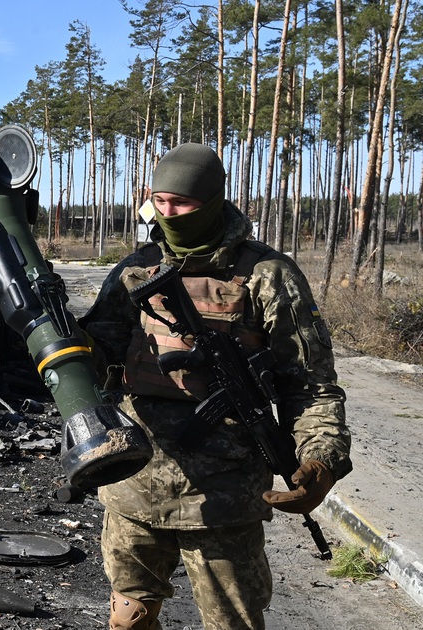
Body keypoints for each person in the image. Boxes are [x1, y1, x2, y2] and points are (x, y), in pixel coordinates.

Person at [78, 143, 351, 630]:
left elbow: (310, 385)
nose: (169, 213)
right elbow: (96, 358)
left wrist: (321, 458)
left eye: (182, 203)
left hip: (224, 496)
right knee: (129, 618)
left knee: (233, 624)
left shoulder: (268, 275)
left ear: (214, 200)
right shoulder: (134, 271)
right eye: (159, 201)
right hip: (134, 481)